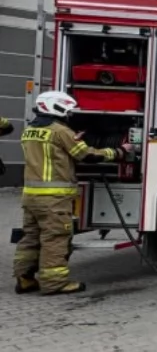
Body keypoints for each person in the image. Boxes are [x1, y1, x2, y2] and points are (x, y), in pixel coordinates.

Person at [13, 91, 129, 295]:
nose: (68, 114)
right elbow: (86, 155)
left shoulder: (29, 130)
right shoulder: (60, 131)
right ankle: (54, 283)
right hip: (54, 199)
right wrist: (120, 151)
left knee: (31, 237)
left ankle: (24, 279)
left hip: (31, 196)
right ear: (56, 107)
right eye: (66, 110)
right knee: (55, 238)